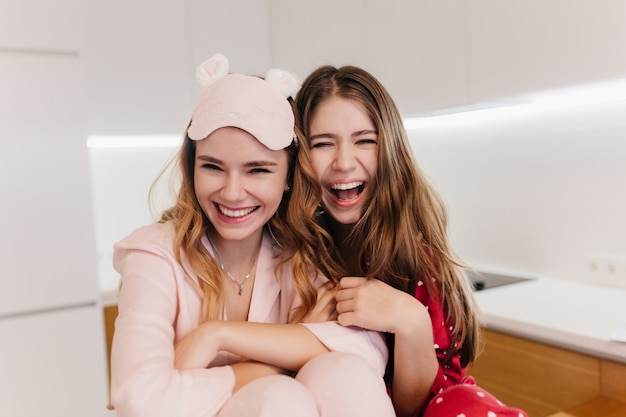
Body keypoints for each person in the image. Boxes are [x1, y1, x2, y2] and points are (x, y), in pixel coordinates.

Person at [109, 54, 394, 417]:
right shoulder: (154, 255)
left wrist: (217, 334)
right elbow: (139, 398)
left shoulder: (296, 256)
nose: (232, 193)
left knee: (345, 372)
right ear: (191, 167)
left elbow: (367, 350)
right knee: (279, 396)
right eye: (213, 167)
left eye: (257, 170)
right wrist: (280, 363)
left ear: (289, 176)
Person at [294, 65, 529, 417]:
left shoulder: (416, 257)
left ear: (390, 150)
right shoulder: (287, 251)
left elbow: (417, 409)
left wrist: (411, 321)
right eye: (323, 144)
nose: (343, 161)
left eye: (364, 140)